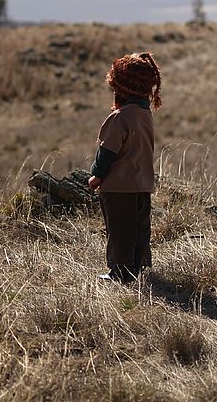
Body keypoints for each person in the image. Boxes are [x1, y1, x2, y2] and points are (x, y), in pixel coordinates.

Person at [88, 52, 162, 284]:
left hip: (118, 187)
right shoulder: (145, 115)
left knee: (119, 230)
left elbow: (107, 153)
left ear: (121, 88)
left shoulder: (119, 118)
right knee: (139, 228)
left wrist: (96, 176)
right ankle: (138, 267)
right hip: (142, 184)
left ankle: (119, 272)